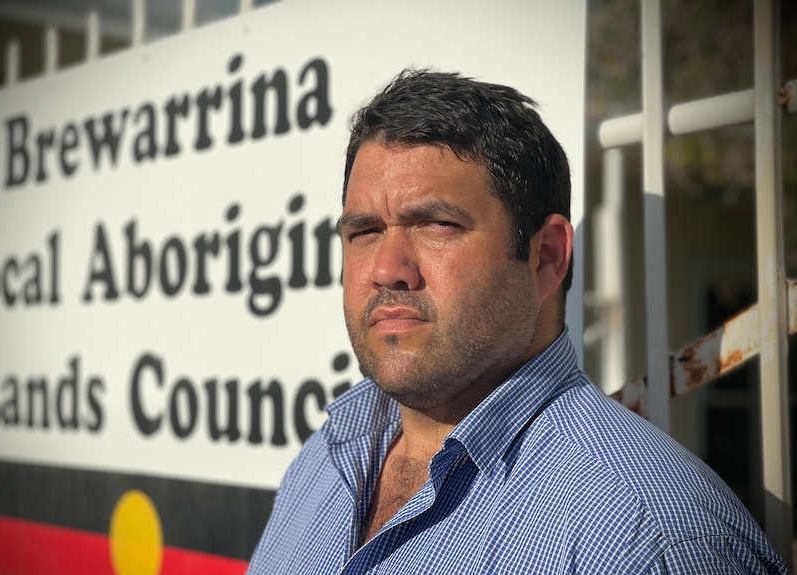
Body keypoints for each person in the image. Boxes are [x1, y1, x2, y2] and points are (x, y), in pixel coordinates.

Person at [247, 70, 788, 574]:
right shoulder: (328, 458)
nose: (389, 271)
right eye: (364, 231)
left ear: (547, 257)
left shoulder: (651, 539)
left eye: (437, 224)